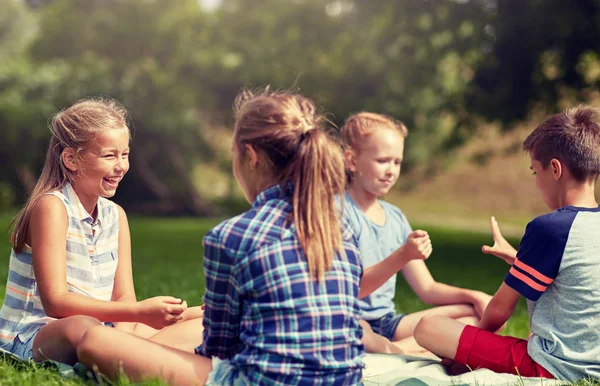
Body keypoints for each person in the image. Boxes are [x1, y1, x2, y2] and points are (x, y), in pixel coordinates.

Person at [76, 89, 365, 385]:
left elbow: (218, 349)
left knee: (97, 340)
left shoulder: (231, 236)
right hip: (346, 379)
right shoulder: (342, 230)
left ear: (250, 157)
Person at [0, 98, 203, 366]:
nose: (121, 166)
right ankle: (137, 355)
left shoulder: (115, 215)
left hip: (103, 328)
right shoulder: (52, 207)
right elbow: (56, 303)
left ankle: (126, 354)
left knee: (205, 317)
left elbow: (123, 296)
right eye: (110, 155)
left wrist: (136, 319)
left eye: (125, 154)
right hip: (35, 334)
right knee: (82, 327)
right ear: (71, 159)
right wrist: (138, 313)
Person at [413, 105, 600, 382]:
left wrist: (466, 348)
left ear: (556, 169)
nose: (537, 183)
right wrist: (518, 260)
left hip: (554, 367)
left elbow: (501, 309)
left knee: (428, 327)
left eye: (536, 172)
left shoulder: (550, 228)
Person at [340, 112, 492, 355]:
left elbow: (427, 288)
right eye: (382, 161)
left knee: (474, 317)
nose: (391, 171)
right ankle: (404, 350)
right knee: (356, 331)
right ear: (352, 161)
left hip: (388, 324)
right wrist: (403, 255)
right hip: (350, 319)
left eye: (397, 162)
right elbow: (351, 289)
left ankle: (394, 350)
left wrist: (473, 296)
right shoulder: (339, 213)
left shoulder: (396, 218)